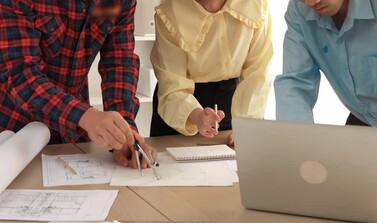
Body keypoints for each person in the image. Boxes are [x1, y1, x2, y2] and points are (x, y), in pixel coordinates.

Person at [274, 0, 377, 194]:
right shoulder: (299, 9)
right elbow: (294, 83)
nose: (312, 2)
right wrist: (302, 150)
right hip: (363, 124)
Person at [0, 0, 156, 168]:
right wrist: (87, 117)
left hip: (74, 136)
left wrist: (123, 132)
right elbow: (20, 75)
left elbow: (119, 62)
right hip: (13, 136)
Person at [150, 0, 273, 145]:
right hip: (182, 114)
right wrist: (196, 116)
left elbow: (258, 73)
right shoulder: (170, 12)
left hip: (240, 104)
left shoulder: (255, 5)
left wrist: (247, 125)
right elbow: (172, 85)